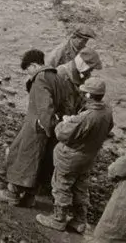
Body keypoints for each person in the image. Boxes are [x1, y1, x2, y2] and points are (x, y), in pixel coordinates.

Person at [37, 77, 113, 233]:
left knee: (61, 186)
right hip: (89, 156)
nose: (82, 94)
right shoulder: (106, 111)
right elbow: (109, 127)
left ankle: (58, 220)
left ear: (89, 95)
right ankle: (80, 221)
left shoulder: (86, 117)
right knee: (81, 187)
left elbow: (62, 134)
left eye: (85, 93)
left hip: (71, 157)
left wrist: (64, 122)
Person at [0, 49, 63, 207]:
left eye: (28, 70)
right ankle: (29, 197)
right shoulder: (57, 77)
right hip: (51, 127)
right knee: (40, 162)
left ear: (33, 65)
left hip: (36, 128)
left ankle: (12, 194)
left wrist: (44, 125)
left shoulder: (40, 79)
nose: (29, 74)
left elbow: (45, 107)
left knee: (21, 157)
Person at [57, 48, 103, 116]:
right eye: (90, 69)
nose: (91, 71)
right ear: (83, 65)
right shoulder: (60, 74)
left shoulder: (85, 75)